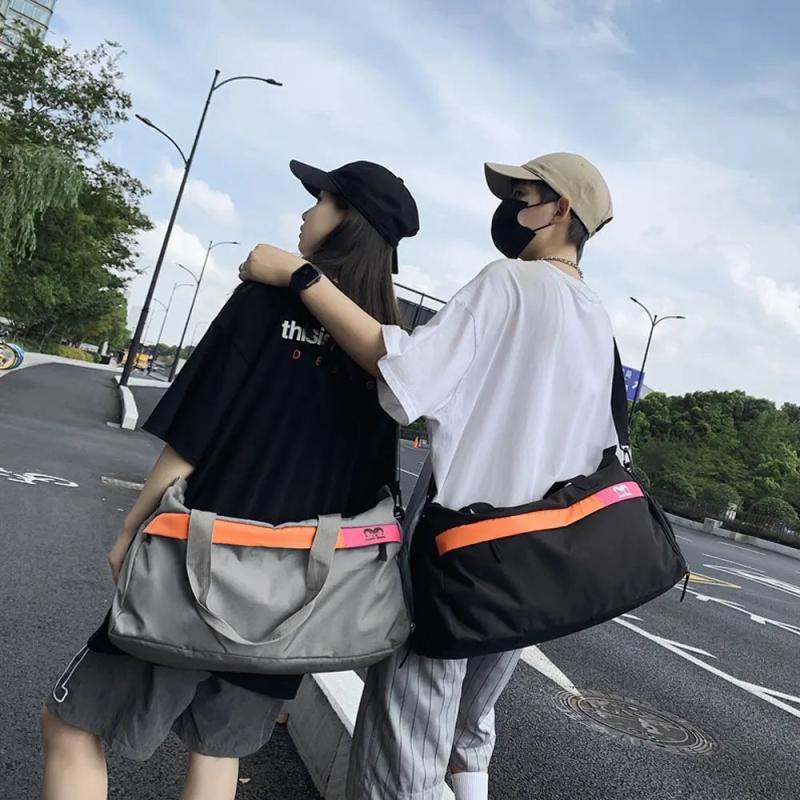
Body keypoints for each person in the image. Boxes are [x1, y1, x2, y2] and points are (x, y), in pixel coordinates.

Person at [238, 152, 617, 800]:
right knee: (469, 725)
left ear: (560, 210)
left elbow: (406, 371)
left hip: (462, 551)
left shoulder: (509, 283)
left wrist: (302, 277)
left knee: (404, 754)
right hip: (539, 563)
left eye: (522, 196)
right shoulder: (598, 321)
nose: (509, 209)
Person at [39, 159, 419, 800]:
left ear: (346, 218)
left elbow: (196, 430)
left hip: (197, 566)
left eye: (320, 199)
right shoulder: (387, 345)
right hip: (298, 595)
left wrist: (134, 526)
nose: (306, 212)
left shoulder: (266, 300)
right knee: (217, 754)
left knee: (71, 725)